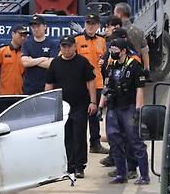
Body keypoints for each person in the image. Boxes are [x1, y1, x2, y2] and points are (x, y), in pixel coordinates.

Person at [45, 35, 97, 179]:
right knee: (66, 136)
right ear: (60, 48)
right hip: (62, 107)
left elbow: (91, 82)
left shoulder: (83, 62)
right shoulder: (55, 63)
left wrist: (93, 102)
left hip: (80, 105)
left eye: (69, 46)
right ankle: (69, 165)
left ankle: (80, 167)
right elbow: (49, 85)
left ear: (75, 47)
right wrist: (47, 105)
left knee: (79, 136)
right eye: (64, 46)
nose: (66, 49)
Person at [100, 38, 150, 185]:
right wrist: (100, 107)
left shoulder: (134, 66)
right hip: (113, 108)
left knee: (135, 141)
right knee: (114, 140)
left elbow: (139, 89)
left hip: (128, 108)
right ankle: (121, 174)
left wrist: (138, 110)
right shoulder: (111, 67)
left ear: (123, 51)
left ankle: (144, 176)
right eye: (111, 50)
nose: (112, 53)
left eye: (115, 51)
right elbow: (106, 87)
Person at [75, 13, 110, 155]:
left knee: (95, 116)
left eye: (93, 24)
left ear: (98, 26)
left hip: (97, 83)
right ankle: (78, 144)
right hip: (80, 84)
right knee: (79, 116)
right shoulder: (76, 40)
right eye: (88, 23)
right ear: (84, 25)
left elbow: (108, 61)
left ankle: (95, 143)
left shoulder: (102, 41)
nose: (90, 26)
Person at [21, 15, 56, 95]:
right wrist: (43, 58)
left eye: (38, 26)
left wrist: (32, 60)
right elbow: (25, 63)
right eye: (33, 27)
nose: (35, 29)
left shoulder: (52, 44)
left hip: (46, 88)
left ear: (45, 27)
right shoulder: (26, 44)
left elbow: (51, 64)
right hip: (29, 88)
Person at [114, 2, 150, 75]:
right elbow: (145, 52)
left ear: (120, 14)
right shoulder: (139, 31)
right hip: (136, 67)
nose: (114, 16)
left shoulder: (116, 32)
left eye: (114, 13)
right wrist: (146, 69)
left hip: (120, 69)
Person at [0, 25, 29, 95]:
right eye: (20, 35)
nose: (23, 38)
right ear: (13, 34)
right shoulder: (2, 51)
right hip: (3, 94)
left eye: (25, 36)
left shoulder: (27, 53)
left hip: (21, 95)